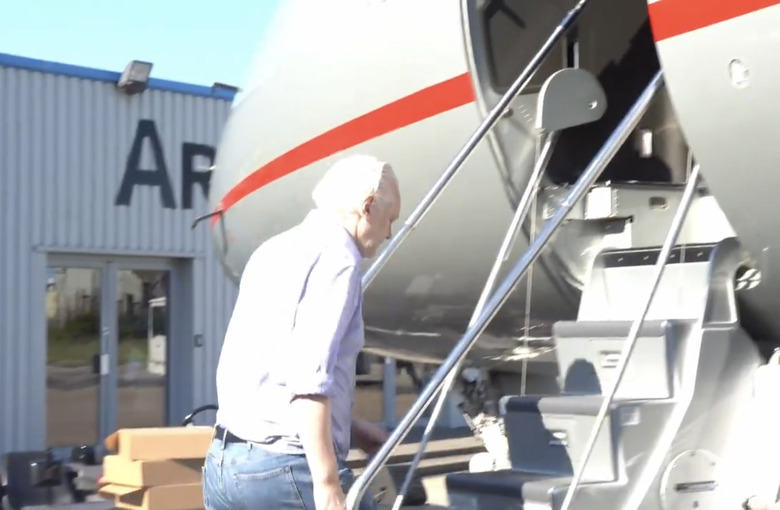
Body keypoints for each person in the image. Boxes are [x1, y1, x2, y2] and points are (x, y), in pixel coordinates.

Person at [202, 154, 402, 510]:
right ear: (367, 207)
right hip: (285, 468)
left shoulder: (274, 249)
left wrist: (351, 427)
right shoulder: (339, 258)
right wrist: (326, 483)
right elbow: (308, 380)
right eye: (390, 220)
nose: (388, 233)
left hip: (224, 464)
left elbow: (269, 373)